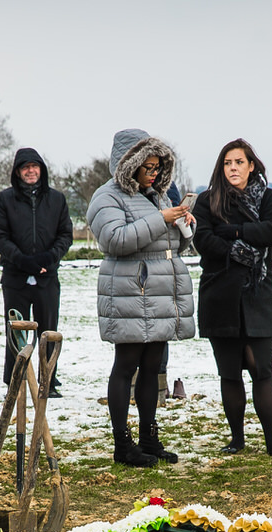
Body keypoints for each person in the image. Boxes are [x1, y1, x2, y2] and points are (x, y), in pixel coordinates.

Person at [85, 129, 196, 467]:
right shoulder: (106, 197)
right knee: (126, 366)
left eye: (156, 166)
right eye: (147, 166)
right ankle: (123, 444)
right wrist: (160, 219)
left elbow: (166, 243)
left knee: (153, 368)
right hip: (130, 290)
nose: (153, 172)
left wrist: (183, 225)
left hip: (159, 291)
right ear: (129, 163)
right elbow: (115, 240)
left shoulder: (156, 195)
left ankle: (149, 438)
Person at [192, 139, 272, 457]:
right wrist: (238, 249)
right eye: (227, 163)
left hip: (258, 294)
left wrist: (233, 231)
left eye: (239, 162)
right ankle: (237, 440)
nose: (233, 168)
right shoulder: (208, 200)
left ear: (251, 166)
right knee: (229, 372)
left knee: (262, 368)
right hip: (219, 296)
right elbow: (204, 239)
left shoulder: (267, 197)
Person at [0, 147, 73, 394]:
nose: (30, 171)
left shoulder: (57, 199)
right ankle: (14, 380)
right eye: (25, 167)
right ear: (17, 172)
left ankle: (48, 381)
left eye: (34, 166)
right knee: (16, 331)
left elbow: (65, 234)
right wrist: (21, 260)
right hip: (16, 277)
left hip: (47, 278)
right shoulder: (5, 199)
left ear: (41, 170)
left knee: (48, 331)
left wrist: (50, 257)